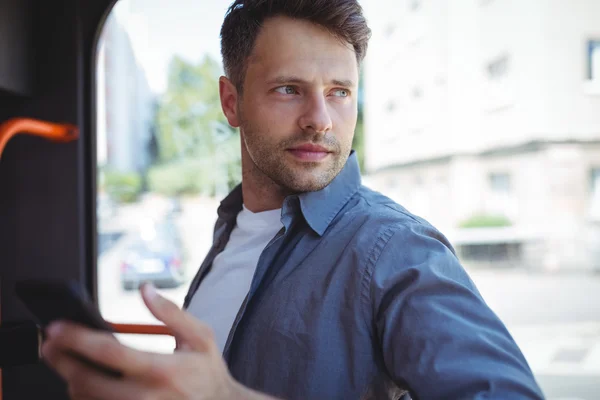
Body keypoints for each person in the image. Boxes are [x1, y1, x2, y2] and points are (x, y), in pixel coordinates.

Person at [42, 0, 546, 399]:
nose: (321, 119)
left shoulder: (396, 248)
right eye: (289, 89)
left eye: (341, 92)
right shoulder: (231, 227)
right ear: (231, 101)